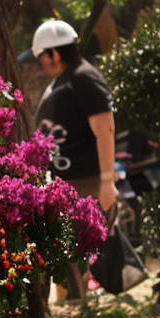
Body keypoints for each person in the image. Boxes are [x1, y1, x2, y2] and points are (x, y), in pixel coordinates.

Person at [30, 19, 117, 297]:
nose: (42, 63)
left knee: (76, 255)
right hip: (67, 183)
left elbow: (105, 127)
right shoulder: (66, 79)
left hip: (85, 182)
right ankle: (72, 312)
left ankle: (77, 316)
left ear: (54, 52)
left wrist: (107, 181)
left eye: (42, 56)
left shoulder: (83, 77)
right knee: (66, 255)